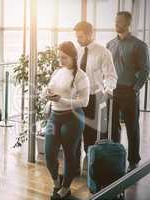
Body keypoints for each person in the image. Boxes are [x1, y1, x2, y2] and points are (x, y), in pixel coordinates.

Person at [44, 41, 90, 199]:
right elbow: (49, 89)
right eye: (59, 57)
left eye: (64, 58)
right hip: (54, 116)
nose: (60, 61)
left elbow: (84, 102)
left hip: (73, 118)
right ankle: (56, 182)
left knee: (69, 155)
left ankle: (65, 187)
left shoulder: (81, 76)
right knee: (49, 154)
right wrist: (47, 97)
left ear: (73, 57)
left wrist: (61, 100)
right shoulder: (58, 71)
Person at [106, 11, 150, 172]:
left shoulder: (139, 45)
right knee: (113, 126)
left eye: (120, 21)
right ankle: (116, 155)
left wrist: (136, 88)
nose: (116, 23)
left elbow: (145, 70)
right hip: (112, 90)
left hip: (129, 91)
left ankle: (133, 159)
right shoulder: (110, 44)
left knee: (132, 127)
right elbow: (106, 67)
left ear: (128, 23)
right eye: (116, 21)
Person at [73, 21, 117, 174]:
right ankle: (75, 166)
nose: (78, 39)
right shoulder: (77, 51)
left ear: (91, 33)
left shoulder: (103, 52)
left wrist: (108, 90)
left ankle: (89, 161)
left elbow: (111, 76)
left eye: (81, 36)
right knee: (75, 132)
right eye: (76, 36)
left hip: (94, 98)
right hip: (77, 97)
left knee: (90, 133)